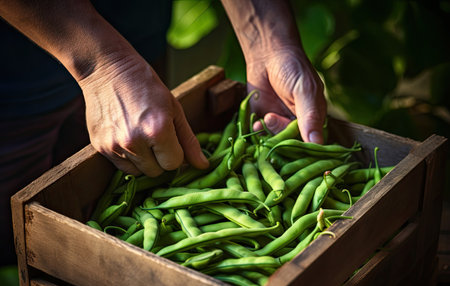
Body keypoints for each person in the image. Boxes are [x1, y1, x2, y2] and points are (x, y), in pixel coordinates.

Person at [0, 0, 326, 266]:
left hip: (138, 30)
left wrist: (268, 43)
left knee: (108, 193)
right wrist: (103, 65)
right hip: (13, 71)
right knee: (20, 242)